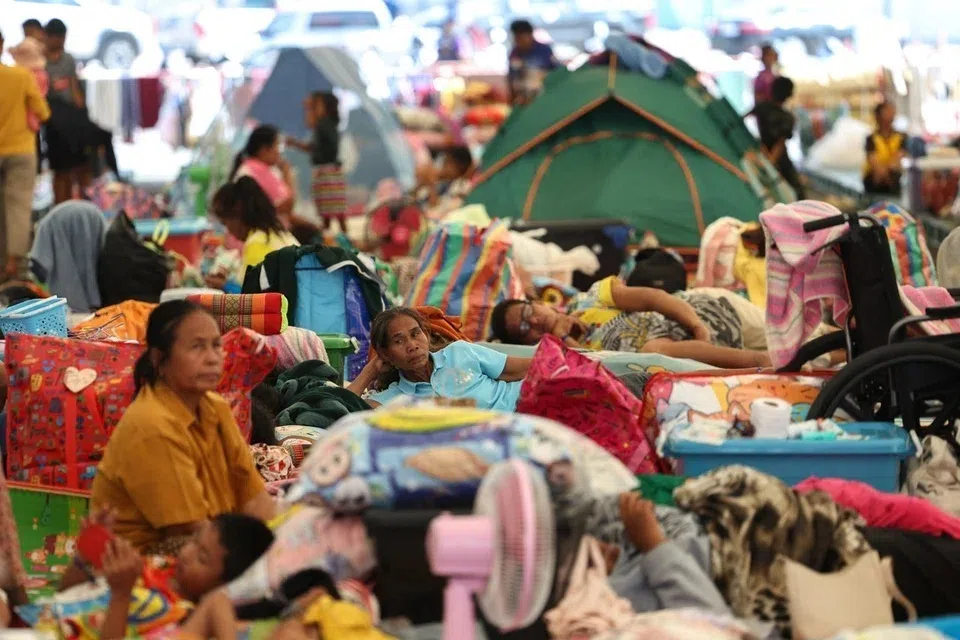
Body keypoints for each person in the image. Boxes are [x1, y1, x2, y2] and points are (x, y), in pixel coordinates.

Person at [90, 300, 276, 554]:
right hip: (141, 567)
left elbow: (253, 497)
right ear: (159, 359)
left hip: (206, 546)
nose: (212, 358)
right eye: (197, 347)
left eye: (216, 345)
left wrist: (285, 538)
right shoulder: (152, 425)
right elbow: (189, 532)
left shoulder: (215, 407)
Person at [490, 277, 772, 369]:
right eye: (526, 329)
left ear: (536, 302)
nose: (536, 321)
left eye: (528, 312)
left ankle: (763, 358)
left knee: (806, 338)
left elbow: (653, 298)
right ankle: (762, 361)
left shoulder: (589, 299)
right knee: (654, 352)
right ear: (528, 344)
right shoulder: (562, 356)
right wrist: (565, 339)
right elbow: (598, 373)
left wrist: (696, 325)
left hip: (707, 313)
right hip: (683, 356)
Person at [348, 307, 532, 410]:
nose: (412, 345)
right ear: (386, 354)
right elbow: (340, 414)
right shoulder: (393, 399)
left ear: (426, 335)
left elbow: (527, 368)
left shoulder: (459, 352)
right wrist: (369, 372)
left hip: (529, 401)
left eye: (415, 334)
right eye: (398, 341)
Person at [0, 27, 51, 282]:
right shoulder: (21, 76)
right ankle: (16, 266)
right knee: (18, 207)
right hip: (20, 150)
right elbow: (43, 112)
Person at [208, 177, 300, 289]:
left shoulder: (258, 242)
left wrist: (224, 285)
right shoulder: (281, 234)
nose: (228, 231)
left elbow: (251, 299)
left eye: (225, 223)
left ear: (237, 215)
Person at [44, 19, 90, 204]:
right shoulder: (41, 61)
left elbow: (75, 91)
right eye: (57, 37)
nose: (60, 41)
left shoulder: (69, 59)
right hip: (53, 122)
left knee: (79, 168)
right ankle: (61, 208)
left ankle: (79, 206)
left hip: (71, 120)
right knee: (60, 172)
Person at [286, 91, 346, 233]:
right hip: (327, 170)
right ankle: (333, 233)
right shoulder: (327, 125)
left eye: (315, 106)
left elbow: (311, 133)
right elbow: (313, 146)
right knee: (331, 207)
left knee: (332, 208)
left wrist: (309, 108)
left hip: (327, 171)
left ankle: (337, 233)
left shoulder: (323, 124)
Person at [753, 76, 804, 199]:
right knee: (797, 194)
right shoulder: (787, 118)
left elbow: (741, 121)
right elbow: (780, 144)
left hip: (760, 153)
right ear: (789, 95)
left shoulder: (762, 108)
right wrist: (770, 163)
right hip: (780, 161)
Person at [230, 124, 296, 218]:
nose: (280, 152)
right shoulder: (256, 171)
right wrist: (288, 173)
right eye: (278, 146)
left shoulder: (252, 167)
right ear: (264, 150)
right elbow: (288, 205)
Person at [508, 19, 558, 106]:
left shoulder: (544, 50)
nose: (519, 41)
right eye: (517, 38)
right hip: (524, 98)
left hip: (544, 95)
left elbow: (555, 73)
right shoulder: (514, 53)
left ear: (530, 35)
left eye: (522, 37)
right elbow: (511, 79)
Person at [863, 101, 906, 195]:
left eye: (892, 110)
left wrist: (886, 173)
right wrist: (883, 172)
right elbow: (873, 162)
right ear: (878, 115)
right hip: (875, 181)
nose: (892, 112)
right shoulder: (871, 139)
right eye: (887, 110)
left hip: (892, 179)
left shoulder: (901, 137)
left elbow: (897, 160)